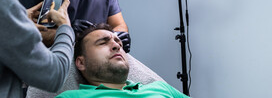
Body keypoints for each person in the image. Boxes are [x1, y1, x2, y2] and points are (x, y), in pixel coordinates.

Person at [56, 24, 190, 98]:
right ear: (81, 63)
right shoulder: (71, 97)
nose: (116, 46)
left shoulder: (161, 88)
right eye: (102, 43)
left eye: (118, 43)